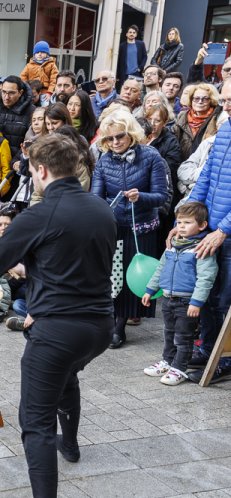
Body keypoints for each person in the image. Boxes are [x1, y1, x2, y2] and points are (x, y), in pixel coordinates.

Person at [0, 134, 115, 498]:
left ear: (41, 170)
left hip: (57, 330)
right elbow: (77, 259)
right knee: (66, 377)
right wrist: (38, 270)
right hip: (98, 327)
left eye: (30, 169)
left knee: (35, 424)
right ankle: (72, 444)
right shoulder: (101, 208)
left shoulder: (39, 213)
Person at [90, 110, 169, 348]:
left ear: (131, 134)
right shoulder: (104, 159)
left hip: (141, 227)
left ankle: (119, 328)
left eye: (120, 137)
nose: (114, 143)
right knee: (111, 278)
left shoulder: (151, 156)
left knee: (130, 278)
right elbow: (96, 197)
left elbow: (162, 196)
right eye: (109, 139)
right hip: (113, 226)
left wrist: (140, 197)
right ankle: (106, 323)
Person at [175, 82, 231, 384]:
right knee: (209, 296)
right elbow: (206, 177)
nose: (225, 106)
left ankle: (226, 358)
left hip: (226, 234)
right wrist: (186, 218)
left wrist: (223, 230)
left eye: (230, 100)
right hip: (209, 230)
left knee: (224, 300)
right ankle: (209, 349)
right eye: (223, 100)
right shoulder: (225, 130)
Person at [142, 201, 217, 385]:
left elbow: (206, 277)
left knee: (183, 337)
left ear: (202, 225)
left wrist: (197, 302)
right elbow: (160, 268)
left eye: (187, 223)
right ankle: (168, 361)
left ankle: (179, 368)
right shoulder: (173, 244)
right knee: (168, 333)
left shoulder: (201, 249)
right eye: (179, 222)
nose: (182, 227)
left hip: (187, 302)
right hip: (168, 299)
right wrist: (150, 290)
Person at [0, 76, 34, 166]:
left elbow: (33, 140)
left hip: (18, 164)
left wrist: (18, 161)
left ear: (20, 93)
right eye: (4, 92)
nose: (6, 97)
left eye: (11, 93)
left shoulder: (31, 112)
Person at [174, 83, 222, 160]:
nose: (200, 102)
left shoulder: (218, 118)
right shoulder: (182, 118)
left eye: (205, 99)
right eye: (196, 98)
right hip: (182, 165)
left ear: (211, 100)